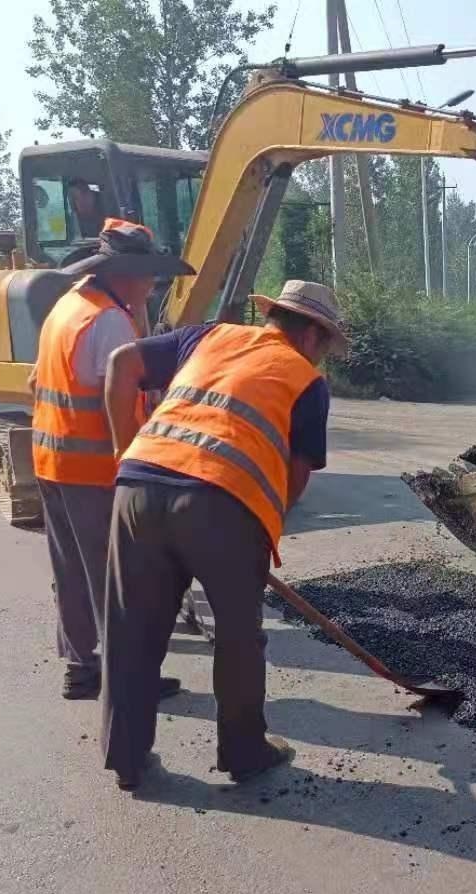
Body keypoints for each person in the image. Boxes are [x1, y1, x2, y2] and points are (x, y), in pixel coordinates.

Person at [99, 281, 338, 791]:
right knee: (237, 637)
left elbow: (122, 363)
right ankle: (245, 752)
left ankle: (127, 759)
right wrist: (260, 524)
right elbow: (295, 478)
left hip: (138, 487)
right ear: (314, 335)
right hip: (223, 506)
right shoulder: (306, 380)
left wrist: (126, 453)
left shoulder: (208, 336)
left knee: (131, 631)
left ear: (272, 315)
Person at [31, 218, 193, 701]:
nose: (152, 284)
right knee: (118, 578)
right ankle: (129, 679)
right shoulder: (109, 321)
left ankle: (81, 668)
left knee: (73, 572)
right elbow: (120, 392)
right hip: (95, 470)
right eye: (147, 275)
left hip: (52, 462)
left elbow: (34, 384)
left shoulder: (71, 307)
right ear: (123, 273)